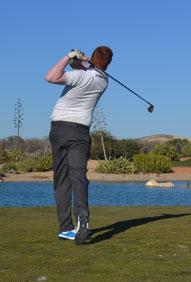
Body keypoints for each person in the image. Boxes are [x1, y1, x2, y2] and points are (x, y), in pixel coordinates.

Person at [45, 46, 113, 245]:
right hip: (81, 132)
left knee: (62, 180)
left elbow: (50, 77)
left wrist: (67, 56)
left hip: (59, 130)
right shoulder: (103, 80)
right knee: (78, 177)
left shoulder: (80, 77)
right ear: (108, 64)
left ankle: (66, 227)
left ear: (92, 58)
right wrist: (79, 59)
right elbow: (83, 69)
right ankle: (82, 216)